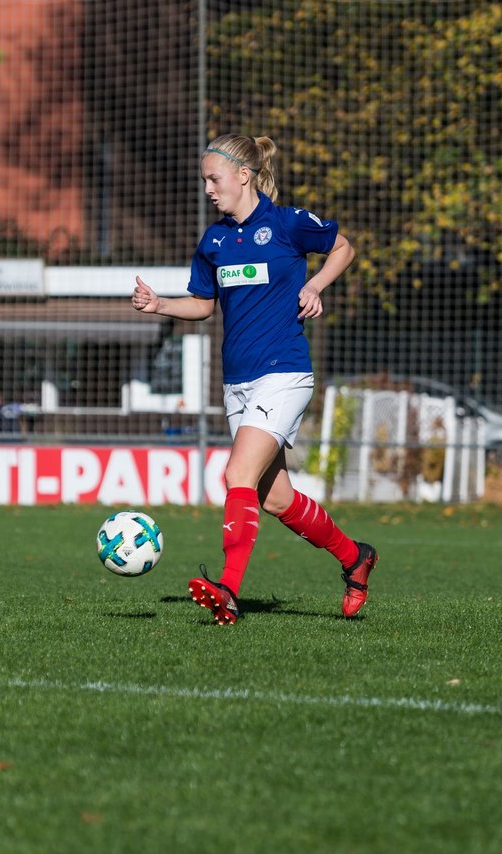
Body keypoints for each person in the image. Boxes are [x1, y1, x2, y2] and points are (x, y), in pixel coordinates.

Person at [131, 133, 377, 625]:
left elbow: (343, 247)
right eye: (204, 180)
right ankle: (356, 558)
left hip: (284, 373)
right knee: (274, 497)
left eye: (213, 179)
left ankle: (228, 590)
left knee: (236, 476)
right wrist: (160, 304)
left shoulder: (287, 224)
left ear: (243, 176)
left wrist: (315, 283)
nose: (208, 189)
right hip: (238, 382)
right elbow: (203, 305)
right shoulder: (214, 241)